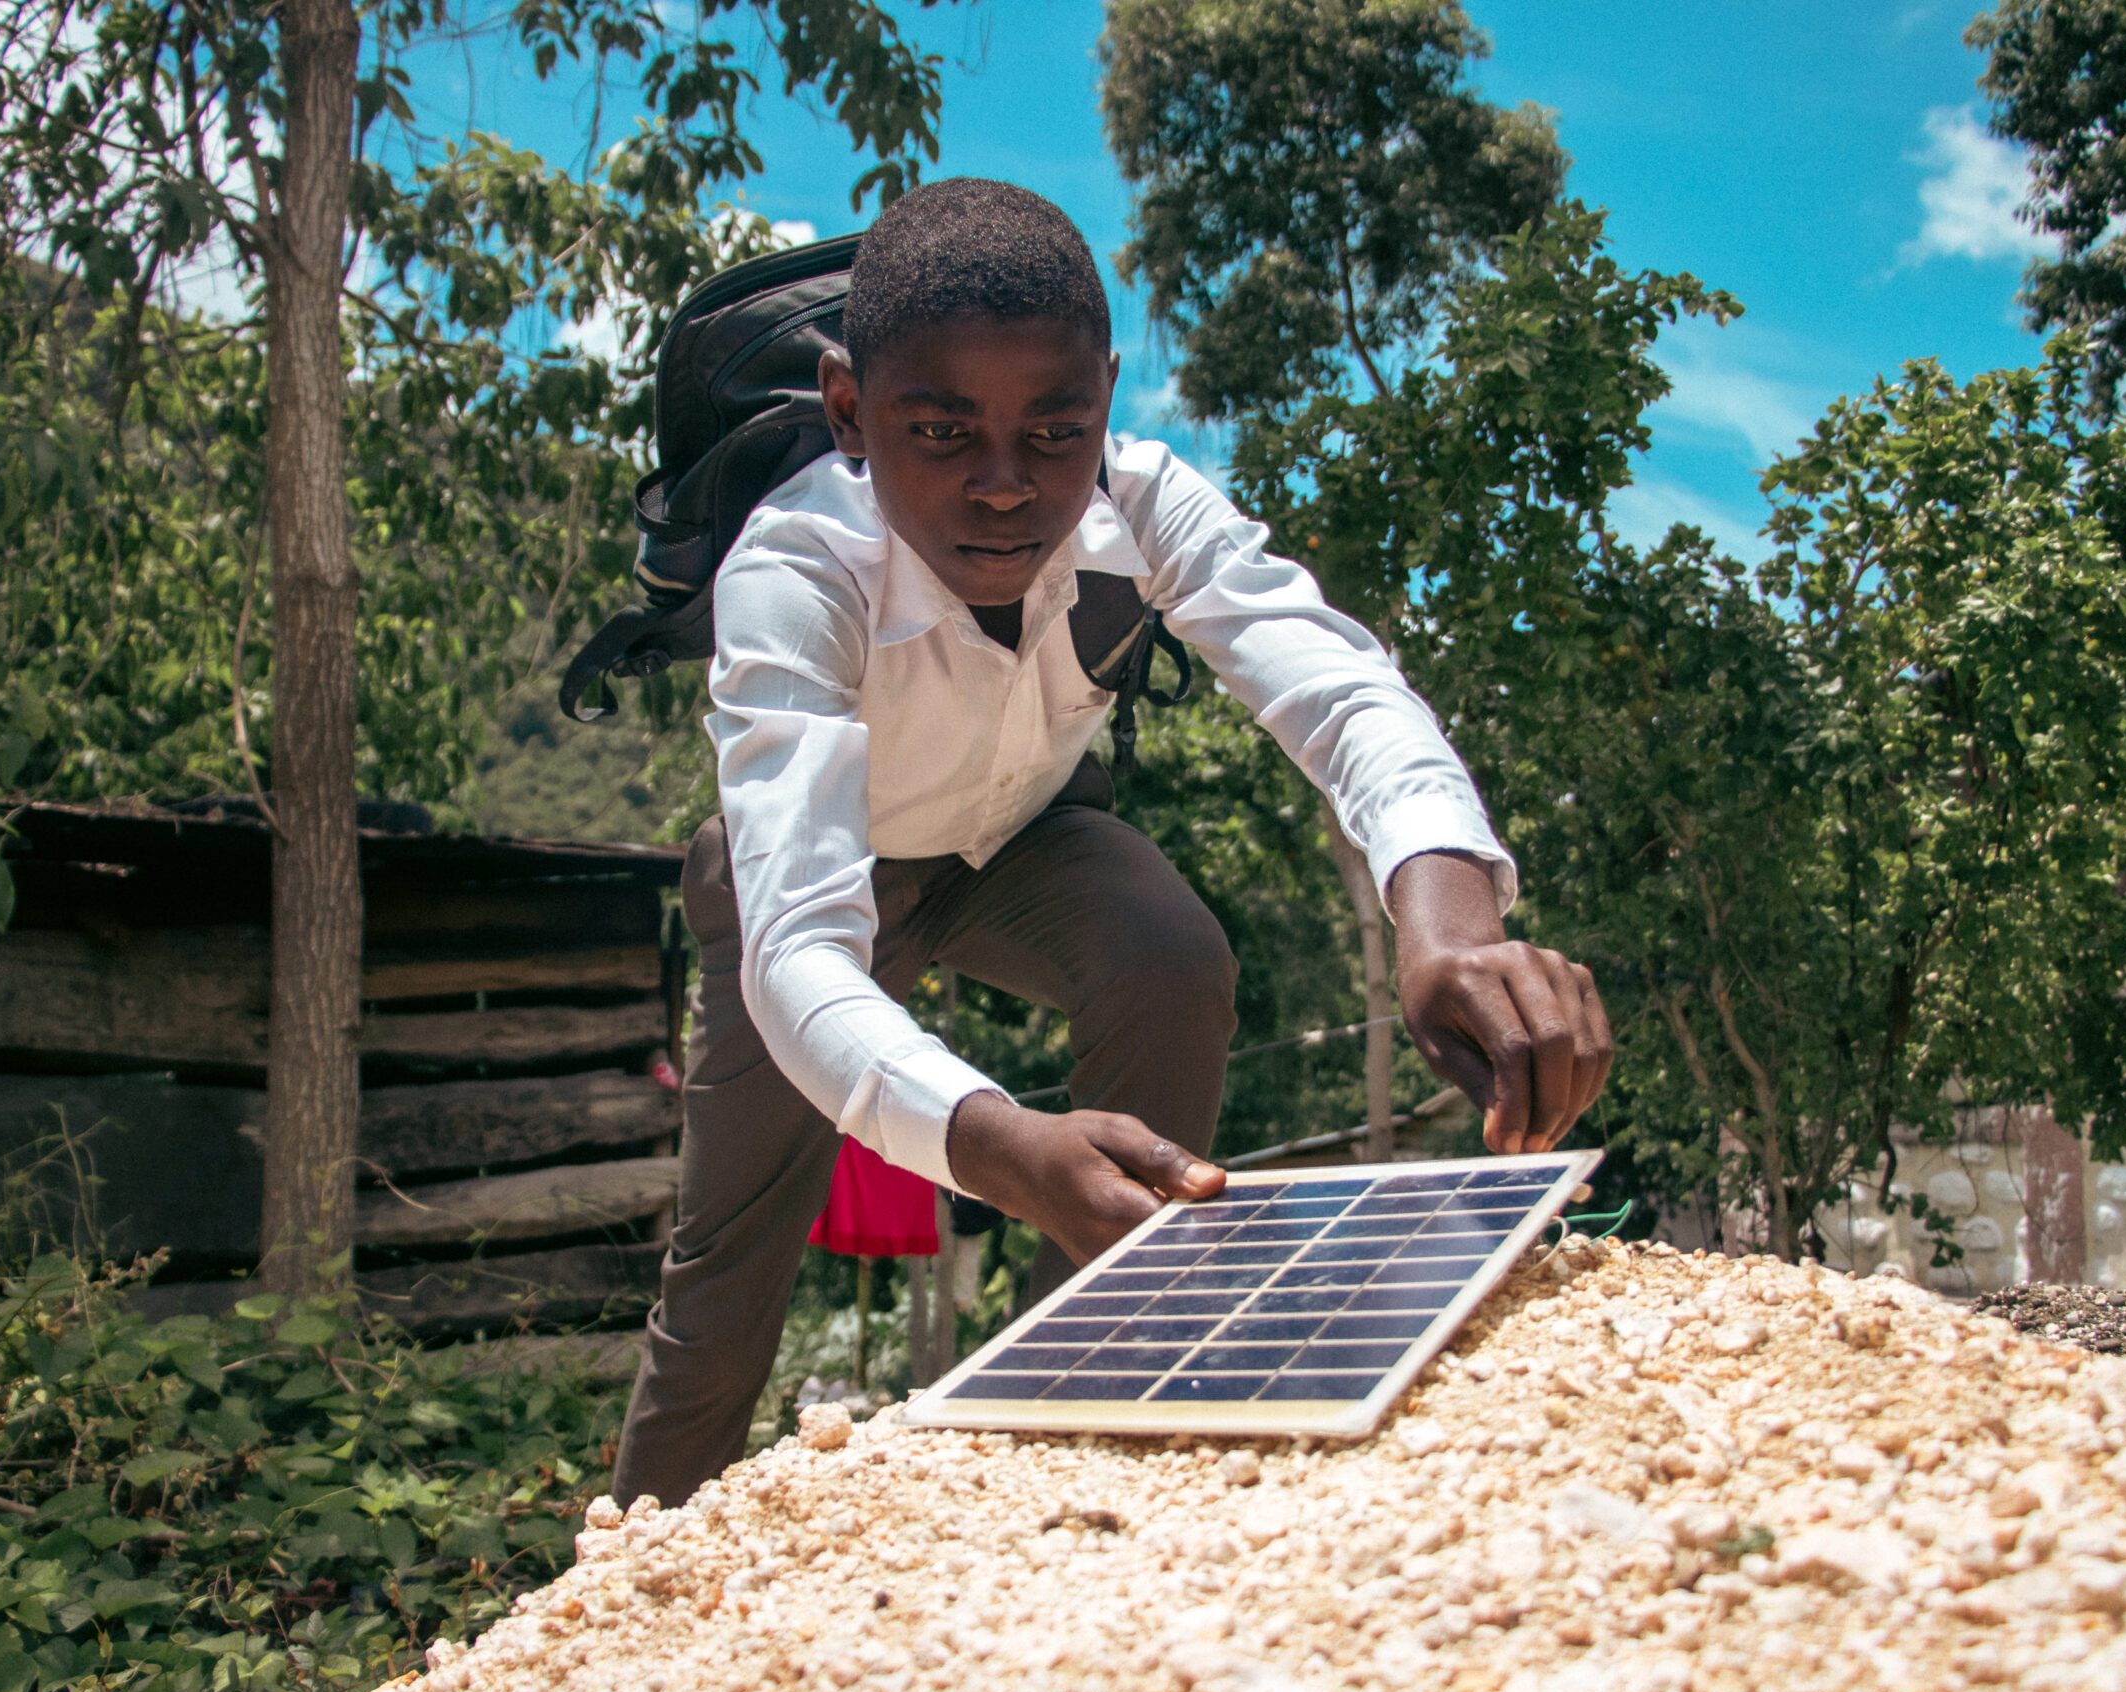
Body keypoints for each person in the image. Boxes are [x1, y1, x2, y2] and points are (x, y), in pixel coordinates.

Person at [609, 178, 1611, 1509]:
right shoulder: (796, 572)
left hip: (1024, 844)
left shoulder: (1144, 509)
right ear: (850, 410)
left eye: (1056, 430)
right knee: (729, 1269)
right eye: (941, 432)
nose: (1006, 487)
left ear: (1107, 398)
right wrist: (998, 1144)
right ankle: (620, 1595)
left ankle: (1079, 1424)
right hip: (806, 883)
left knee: (1169, 953)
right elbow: (800, 954)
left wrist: (1447, 919)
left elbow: (1342, 689)